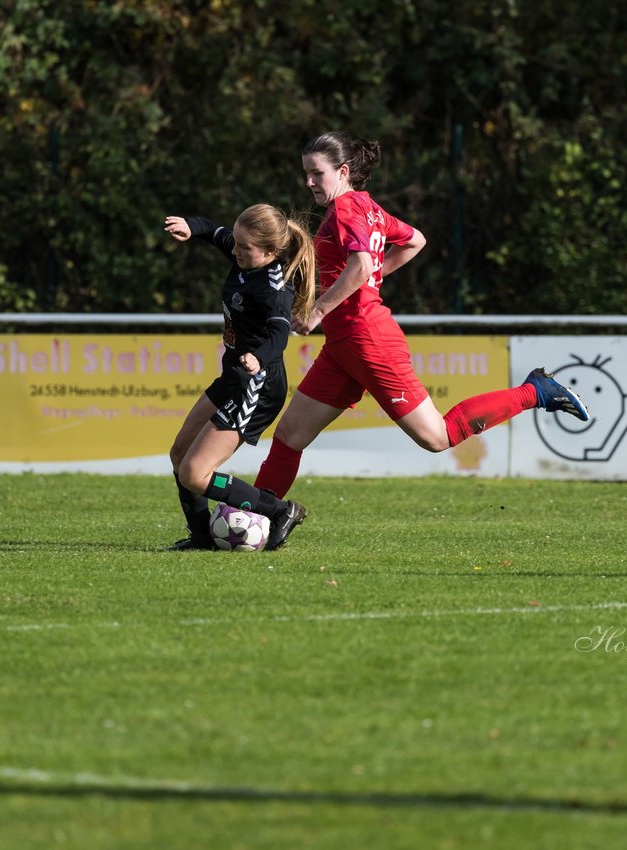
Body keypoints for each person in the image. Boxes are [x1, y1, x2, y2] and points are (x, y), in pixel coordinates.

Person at [253, 132, 590, 544]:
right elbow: (414, 240)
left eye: (315, 173)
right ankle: (258, 519)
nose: (308, 182)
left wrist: (321, 308)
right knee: (290, 435)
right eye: (305, 173)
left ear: (342, 172)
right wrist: (370, 278)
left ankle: (535, 391)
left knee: (438, 437)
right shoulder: (367, 207)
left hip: (367, 339)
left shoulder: (346, 209)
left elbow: (361, 265)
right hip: (345, 345)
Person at [164, 204, 315, 551]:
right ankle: (202, 537)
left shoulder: (274, 289)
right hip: (234, 377)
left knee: (195, 473)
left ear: (270, 252)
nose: (235, 251)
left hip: (257, 386)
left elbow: (279, 334)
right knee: (180, 453)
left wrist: (257, 357)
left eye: (243, 248)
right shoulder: (245, 254)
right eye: (236, 243)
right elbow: (210, 229)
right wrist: (191, 224)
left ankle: (280, 510)